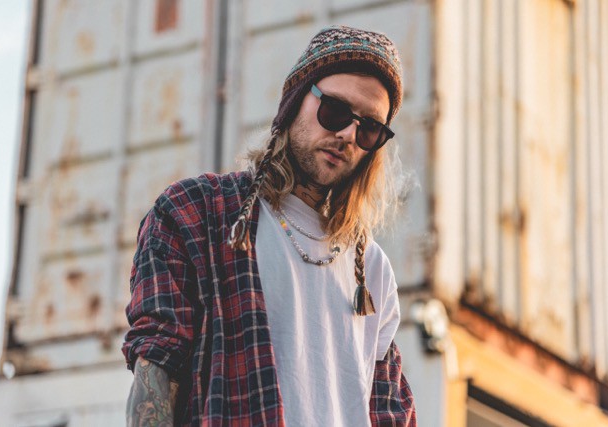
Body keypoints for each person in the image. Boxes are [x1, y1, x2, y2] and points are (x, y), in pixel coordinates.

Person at [123, 25, 416, 426]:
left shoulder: (374, 269)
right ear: (294, 103)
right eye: (335, 111)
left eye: (369, 129)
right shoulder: (198, 213)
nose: (348, 135)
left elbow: (389, 414)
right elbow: (157, 365)